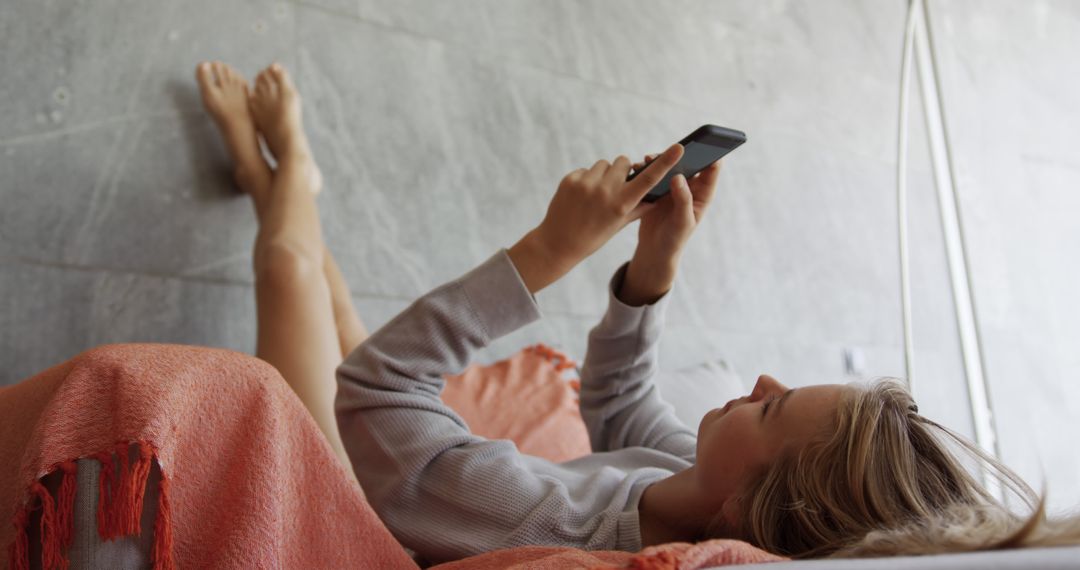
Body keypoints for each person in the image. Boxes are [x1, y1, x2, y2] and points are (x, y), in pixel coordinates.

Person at [196, 61, 1080, 565]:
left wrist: (552, 248)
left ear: (744, 508)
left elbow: (378, 387)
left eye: (771, 405)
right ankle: (275, 185)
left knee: (288, 270)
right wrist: (651, 271)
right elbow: (617, 405)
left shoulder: (544, 525)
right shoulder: (687, 486)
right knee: (336, 301)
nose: (759, 379)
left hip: (347, 517)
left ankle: (285, 170)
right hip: (417, 475)